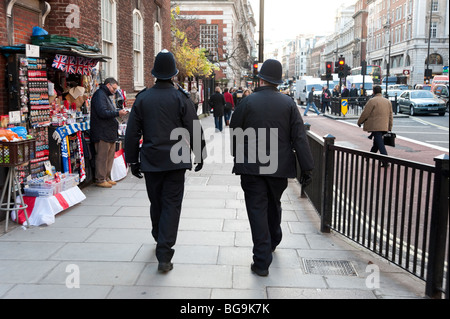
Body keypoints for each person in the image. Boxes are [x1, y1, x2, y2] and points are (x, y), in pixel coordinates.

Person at [230, 59, 314, 276]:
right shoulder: (288, 104)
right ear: (278, 81)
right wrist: (307, 168)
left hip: (251, 167)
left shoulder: (247, 102)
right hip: (279, 166)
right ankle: (274, 238)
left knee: (257, 209)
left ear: (261, 78)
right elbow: (299, 138)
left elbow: (235, 130)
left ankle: (261, 261)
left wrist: (237, 155)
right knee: (273, 203)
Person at [125, 49, 207, 272]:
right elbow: (194, 128)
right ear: (173, 74)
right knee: (172, 204)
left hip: (151, 160)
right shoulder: (181, 98)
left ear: (154, 73)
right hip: (176, 160)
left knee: (156, 202)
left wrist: (132, 160)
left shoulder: (143, 99)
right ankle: (164, 251)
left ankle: (157, 235)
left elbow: (132, 133)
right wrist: (200, 154)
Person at [90, 78, 129, 188]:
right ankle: (100, 179)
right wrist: (117, 113)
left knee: (109, 155)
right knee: (102, 156)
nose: (114, 91)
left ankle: (106, 177)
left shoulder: (105, 95)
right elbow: (102, 112)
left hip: (108, 131)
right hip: (102, 131)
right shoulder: (99, 95)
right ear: (108, 85)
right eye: (114, 88)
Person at [357, 85, 393, 167]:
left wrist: (359, 122)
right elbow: (391, 116)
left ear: (373, 92)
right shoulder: (387, 101)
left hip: (375, 126)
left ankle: (385, 161)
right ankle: (368, 156)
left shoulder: (372, 101)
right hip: (384, 126)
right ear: (381, 91)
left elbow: (365, 113)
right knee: (376, 143)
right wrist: (390, 127)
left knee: (380, 144)